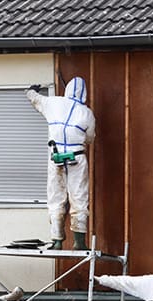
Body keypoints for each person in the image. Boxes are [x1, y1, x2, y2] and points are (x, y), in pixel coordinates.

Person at [26, 77, 96, 250]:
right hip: (77, 158)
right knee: (79, 199)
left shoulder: (53, 103)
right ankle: (79, 243)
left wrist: (32, 89)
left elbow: (32, 97)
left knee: (56, 198)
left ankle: (57, 241)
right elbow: (90, 138)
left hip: (55, 157)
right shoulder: (86, 112)